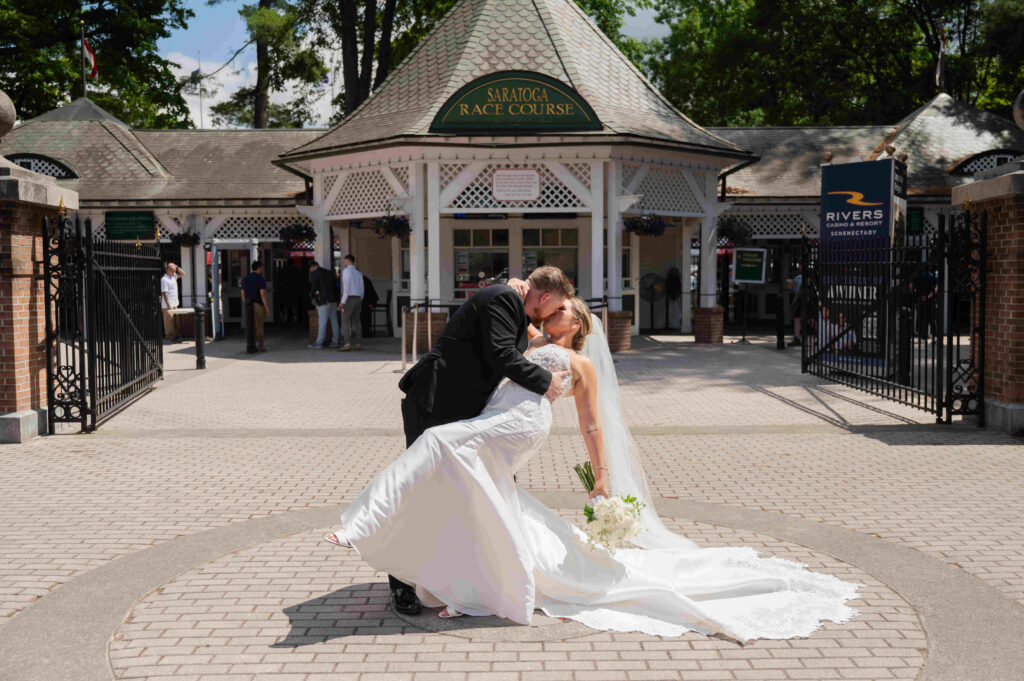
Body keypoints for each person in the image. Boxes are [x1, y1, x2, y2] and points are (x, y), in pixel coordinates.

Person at [324, 297, 859, 641]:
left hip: (508, 431)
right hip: (488, 425)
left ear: (575, 322)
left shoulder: (576, 362)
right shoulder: (525, 339)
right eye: (548, 309)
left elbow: (591, 424)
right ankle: (471, 578)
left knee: (444, 456)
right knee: (489, 504)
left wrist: (601, 476)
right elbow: (492, 353)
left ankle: (397, 545)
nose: (548, 316)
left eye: (558, 312)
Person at [343, 266, 574, 615]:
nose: (554, 314)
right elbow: (500, 354)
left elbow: (513, 344)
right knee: (421, 491)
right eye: (555, 307)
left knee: (464, 494)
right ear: (543, 297)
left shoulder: (512, 302)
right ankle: (401, 583)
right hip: (435, 403)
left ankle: (454, 578)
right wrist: (546, 381)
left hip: (464, 413)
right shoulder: (503, 298)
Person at [307, 261, 339, 349]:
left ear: (312, 267)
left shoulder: (315, 273)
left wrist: (311, 295)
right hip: (333, 300)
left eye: (310, 269)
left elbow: (314, 287)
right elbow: (336, 286)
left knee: (322, 322)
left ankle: (319, 343)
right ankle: (335, 341)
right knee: (334, 321)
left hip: (324, 300)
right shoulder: (330, 272)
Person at [336, 254, 364, 352]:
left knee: (345, 321)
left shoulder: (346, 271)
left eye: (345, 261)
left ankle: (347, 343)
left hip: (349, 298)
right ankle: (358, 343)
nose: (344, 263)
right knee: (357, 322)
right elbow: (362, 289)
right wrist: (360, 298)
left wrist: (342, 302)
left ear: (347, 261)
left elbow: (346, 289)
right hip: (358, 298)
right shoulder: (358, 273)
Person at [241, 261, 269, 352]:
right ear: (259, 268)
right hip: (258, 304)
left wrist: (246, 302)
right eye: (262, 268)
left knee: (250, 325)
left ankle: (251, 344)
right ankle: (260, 345)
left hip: (248, 304)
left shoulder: (245, 279)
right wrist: (266, 308)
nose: (262, 270)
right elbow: (263, 295)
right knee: (259, 325)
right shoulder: (260, 279)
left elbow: (242, 293)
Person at [160, 262, 184, 341]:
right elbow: (164, 293)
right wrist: (168, 305)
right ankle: (169, 337)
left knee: (176, 322)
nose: (174, 272)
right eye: (172, 271)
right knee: (169, 323)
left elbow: (182, 273)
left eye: (174, 271)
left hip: (175, 303)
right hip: (168, 305)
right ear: (168, 270)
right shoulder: (164, 279)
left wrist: (177, 267)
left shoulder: (173, 277)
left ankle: (175, 336)